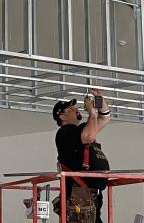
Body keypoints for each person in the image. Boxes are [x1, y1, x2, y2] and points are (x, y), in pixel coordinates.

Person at [52, 89, 112, 223]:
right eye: (70, 108)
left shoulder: (79, 131)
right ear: (62, 116)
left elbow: (105, 118)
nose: (76, 109)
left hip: (88, 195)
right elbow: (89, 135)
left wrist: (99, 100)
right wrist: (91, 112)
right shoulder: (65, 132)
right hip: (79, 195)